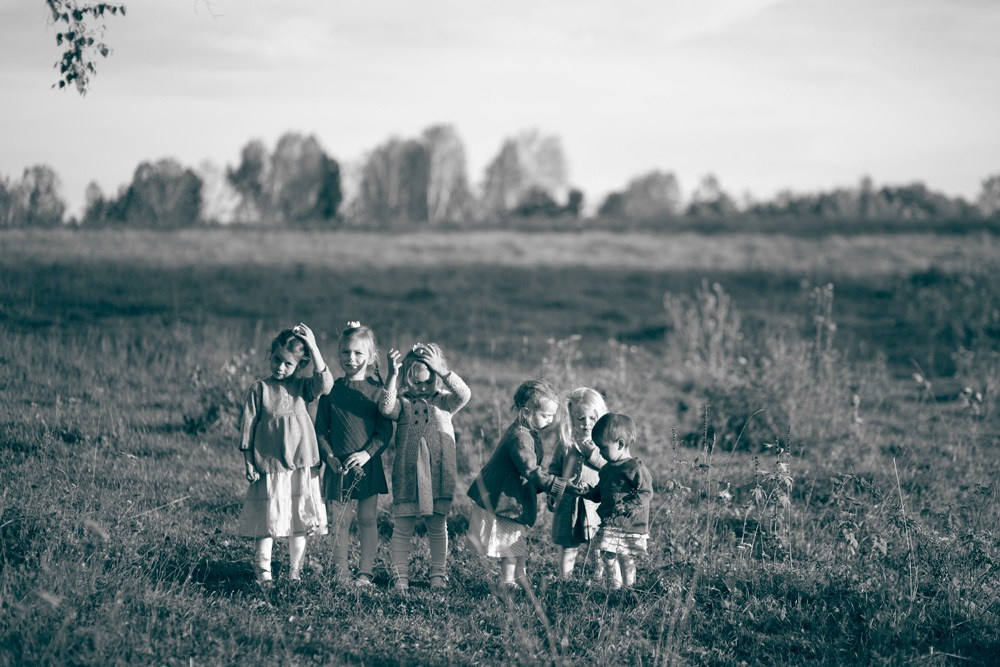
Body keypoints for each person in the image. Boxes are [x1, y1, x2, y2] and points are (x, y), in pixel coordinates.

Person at [237, 324, 333, 587]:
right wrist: (248, 461)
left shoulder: (303, 387)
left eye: (288, 363)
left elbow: (326, 384)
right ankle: (263, 571)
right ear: (271, 355)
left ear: (299, 365)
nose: (280, 367)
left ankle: (295, 572)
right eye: (277, 359)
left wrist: (313, 347)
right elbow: (248, 427)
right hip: (268, 465)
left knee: (299, 521)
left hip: (301, 465)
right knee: (266, 521)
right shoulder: (260, 389)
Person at [380, 343, 471, 591]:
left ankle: (438, 576)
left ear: (436, 380)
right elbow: (385, 408)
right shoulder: (403, 403)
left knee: (437, 526)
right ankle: (400, 577)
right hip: (408, 474)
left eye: (427, 383)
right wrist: (391, 376)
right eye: (415, 383)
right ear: (406, 381)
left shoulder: (445, 402)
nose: (421, 389)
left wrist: (443, 371)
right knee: (403, 526)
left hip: (439, 474)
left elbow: (465, 395)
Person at [466, 379, 564, 592]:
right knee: (511, 542)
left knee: (518, 540)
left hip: (512, 495)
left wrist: (544, 487)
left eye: (552, 416)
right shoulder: (520, 436)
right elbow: (529, 469)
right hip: (504, 498)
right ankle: (507, 581)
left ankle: (520, 577)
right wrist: (556, 485)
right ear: (527, 412)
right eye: (545, 415)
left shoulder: (529, 433)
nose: (550, 420)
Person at [315, 321, 393, 586]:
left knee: (368, 519)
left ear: (370, 357)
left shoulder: (375, 392)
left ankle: (365, 573)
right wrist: (329, 457)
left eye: (359, 353)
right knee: (340, 522)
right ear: (339, 353)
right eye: (346, 352)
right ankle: (341, 573)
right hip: (338, 468)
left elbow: (384, 432)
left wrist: (367, 455)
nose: (351, 358)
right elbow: (320, 431)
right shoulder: (331, 391)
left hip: (367, 466)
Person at [575, 412, 654, 590]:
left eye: (603, 448)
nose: (600, 453)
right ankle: (614, 587)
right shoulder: (606, 469)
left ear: (620, 444)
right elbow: (601, 493)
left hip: (629, 524)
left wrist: (628, 506)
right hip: (610, 522)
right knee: (607, 555)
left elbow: (646, 493)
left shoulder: (635, 468)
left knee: (625, 557)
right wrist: (588, 492)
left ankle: (629, 587)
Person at [547, 387, 608, 581]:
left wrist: (594, 455)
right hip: (568, 502)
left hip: (594, 504)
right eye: (580, 419)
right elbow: (555, 469)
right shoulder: (566, 443)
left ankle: (597, 575)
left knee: (595, 543)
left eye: (592, 418)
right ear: (571, 419)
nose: (586, 424)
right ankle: (565, 578)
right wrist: (552, 491)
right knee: (568, 542)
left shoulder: (603, 445)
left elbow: (610, 468)